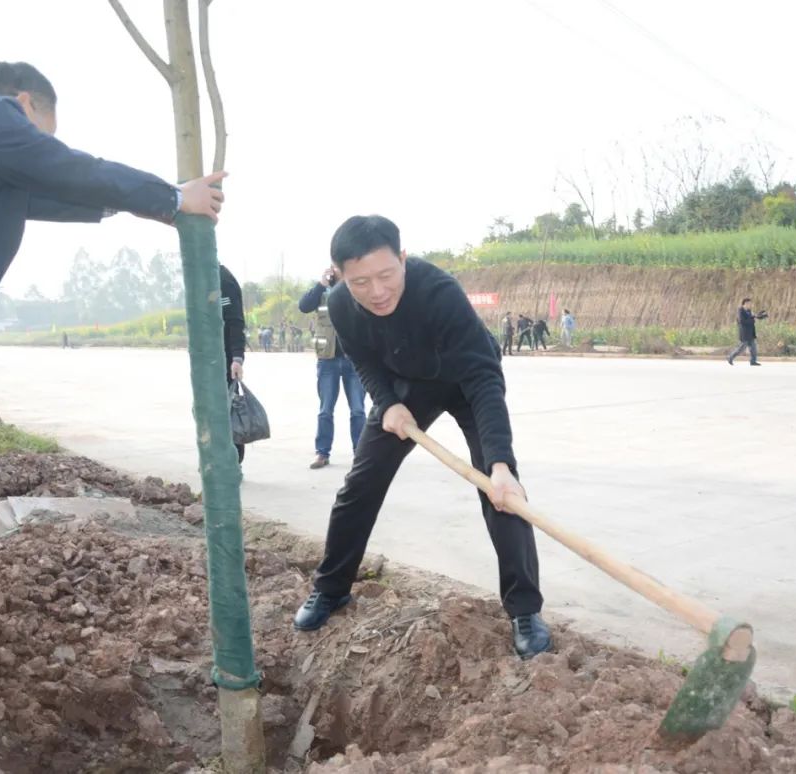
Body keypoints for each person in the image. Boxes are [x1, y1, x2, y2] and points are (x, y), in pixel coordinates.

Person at [0, 62, 226, 774]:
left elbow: (55, 191)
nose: (35, 144)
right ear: (25, 103)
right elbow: (69, 169)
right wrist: (172, 196)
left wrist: (143, 207)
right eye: (40, 129)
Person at [292, 215, 551, 660]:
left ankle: (525, 609)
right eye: (360, 282)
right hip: (407, 389)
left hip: (467, 381)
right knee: (360, 486)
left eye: (386, 275)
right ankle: (331, 588)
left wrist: (501, 464)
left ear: (403, 260)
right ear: (339, 275)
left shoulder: (439, 292)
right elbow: (364, 360)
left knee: (502, 493)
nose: (376, 291)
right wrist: (387, 401)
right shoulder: (338, 304)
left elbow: (484, 379)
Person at [298, 265, 366, 469]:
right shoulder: (321, 291)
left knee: (358, 410)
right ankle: (322, 453)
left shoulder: (357, 287)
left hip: (354, 360)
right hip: (327, 359)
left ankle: (361, 454)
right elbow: (304, 306)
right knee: (325, 410)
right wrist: (321, 284)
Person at [220, 264, 247, 470]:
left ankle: (233, 461)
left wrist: (237, 358)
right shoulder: (199, 280)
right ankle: (216, 458)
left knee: (229, 411)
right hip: (207, 363)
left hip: (226, 361)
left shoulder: (223, 279)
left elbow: (236, 322)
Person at [726, 297, 766, 366]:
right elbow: (742, 321)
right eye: (749, 304)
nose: (750, 305)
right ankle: (730, 357)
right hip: (744, 334)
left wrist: (759, 316)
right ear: (744, 304)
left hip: (751, 333)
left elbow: (753, 317)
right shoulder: (740, 311)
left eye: (750, 304)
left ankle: (753, 361)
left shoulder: (749, 311)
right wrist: (752, 320)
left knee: (753, 348)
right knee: (741, 349)